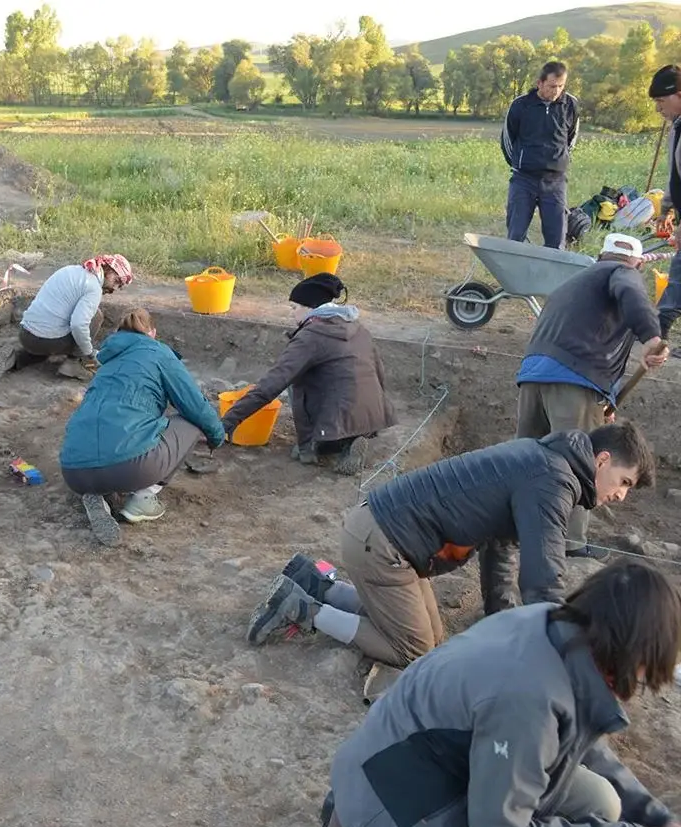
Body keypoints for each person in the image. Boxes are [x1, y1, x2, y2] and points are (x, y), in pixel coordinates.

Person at [315, 559, 681, 827]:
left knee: (601, 800)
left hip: (419, 758)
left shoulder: (557, 627)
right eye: (646, 672)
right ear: (631, 653)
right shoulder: (530, 698)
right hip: (396, 803)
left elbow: (579, 739)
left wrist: (656, 820)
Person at [246, 422, 654, 669]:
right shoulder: (553, 481)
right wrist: (561, 652)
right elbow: (543, 579)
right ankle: (304, 610)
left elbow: (501, 548)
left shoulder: (545, 462)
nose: (621, 495)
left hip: (381, 535)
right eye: (624, 482)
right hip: (384, 546)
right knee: (414, 651)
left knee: (433, 638)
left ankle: (318, 584)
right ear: (602, 460)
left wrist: (500, 618)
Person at [514, 232, 668, 561]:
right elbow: (632, 296)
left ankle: (515, 529)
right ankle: (571, 543)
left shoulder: (575, 283)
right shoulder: (624, 273)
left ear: (600, 255)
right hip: (575, 379)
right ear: (638, 264)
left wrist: (604, 399)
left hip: (533, 375)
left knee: (528, 460)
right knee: (580, 463)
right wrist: (652, 339)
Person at [59, 308, 225, 545]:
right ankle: (143, 498)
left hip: (74, 471)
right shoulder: (158, 352)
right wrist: (217, 436)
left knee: (108, 432)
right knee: (191, 421)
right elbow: (195, 405)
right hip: (129, 467)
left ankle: (98, 493)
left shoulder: (106, 363)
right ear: (152, 333)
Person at [222, 273, 396, 476]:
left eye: (294, 308)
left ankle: (311, 445)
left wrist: (227, 422)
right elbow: (379, 372)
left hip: (335, 416)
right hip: (373, 414)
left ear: (310, 308)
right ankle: (353, 439)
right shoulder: (357, 328)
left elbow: (272, 384)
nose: (291, 314)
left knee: (295, 379)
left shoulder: (311, 336)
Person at [0, 254, 133, 382]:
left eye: (119, 285)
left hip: (26, 335)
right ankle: (73, 364)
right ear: (107, 269)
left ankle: (14, 358)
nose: (114, 288)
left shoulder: (70, 270)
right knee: (96, 316)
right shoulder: (93, 287)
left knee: (42, 351)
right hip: (49, 341)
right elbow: (78, 325)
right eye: (116, 281)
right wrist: (88, 354)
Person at [501, 61, 579, 249]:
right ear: (540, 83)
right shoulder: (520, 105)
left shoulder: (570, 104)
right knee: (515, 235)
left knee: (556, 240)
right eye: (552, 86)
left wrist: (558, 161)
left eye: (561, 86)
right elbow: (507, 139)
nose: (556, 91)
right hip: (523, 179)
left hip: (555, 182)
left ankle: (551, 269)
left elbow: (571, 139)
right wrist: (521, 163)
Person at [648, 65, 681, 339]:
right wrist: (667, 209)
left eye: (661, 101)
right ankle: (657, 332)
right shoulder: (676, 128)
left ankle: (657, 332)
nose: (658, 108)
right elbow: (675, 175)